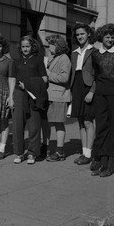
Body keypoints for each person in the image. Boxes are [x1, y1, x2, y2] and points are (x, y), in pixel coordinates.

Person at [90, 23, 114, 177]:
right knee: (101, 126)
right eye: (107, 36)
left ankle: (111, 162)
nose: (110, 39)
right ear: (101, 37)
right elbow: (96, 74)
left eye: (112, 37)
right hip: (100, 94)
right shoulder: (95, 54)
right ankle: (101, 158)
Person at [10, 35, 48, 165]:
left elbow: (44, 79)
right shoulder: (16, 61)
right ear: (20, 48)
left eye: (27, 46)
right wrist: (10, 97)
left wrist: (29, 84)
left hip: (33, 96)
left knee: (34, 125)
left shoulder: (38, 60)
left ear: (32, 47)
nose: (25, 49)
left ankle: (32, 153)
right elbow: (12, 79)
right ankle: (19, 153)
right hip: (19, 94)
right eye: (23, 47)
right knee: (17, 126)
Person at [69, 23, 97, 167]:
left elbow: (98, 75)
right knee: (80, 121)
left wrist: (92, 91)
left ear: (88, 34)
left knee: (88, 121)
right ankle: (84, 152)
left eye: (82, 34)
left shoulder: (94, 51)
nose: (80, 36)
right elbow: (73, 73)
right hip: (77, 86)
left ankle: (89, 153)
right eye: (78, 34)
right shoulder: (74, 53)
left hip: (88, 87)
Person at [41, 34, 71, 162]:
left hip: (59, 96)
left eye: (51, 45)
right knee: (45, 123)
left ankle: (60, 152)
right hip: (49, 95)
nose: (49, 47)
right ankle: (45, 147)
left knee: (59, 124)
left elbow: (64, 78)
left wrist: (48, 74)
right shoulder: (52, 57)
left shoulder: (64, 59)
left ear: (58, 45)